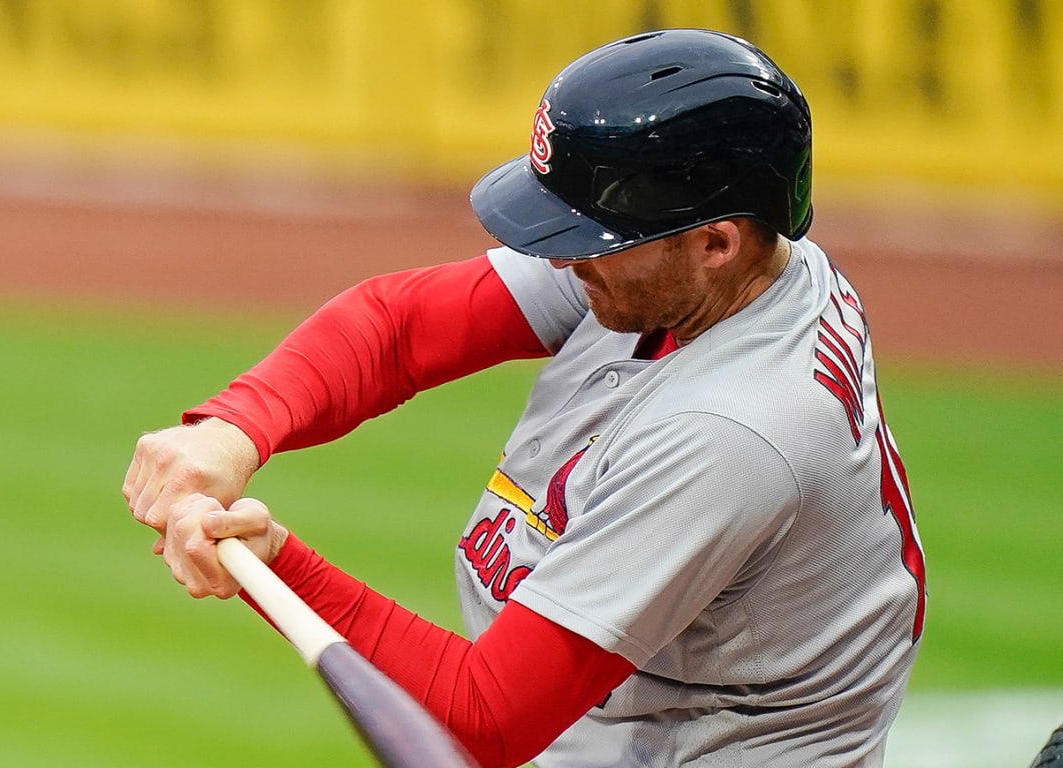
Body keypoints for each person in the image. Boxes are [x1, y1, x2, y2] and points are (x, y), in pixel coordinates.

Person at [122, 28, 925, 768]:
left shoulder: (735, 433)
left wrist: (274, 564)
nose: (566, 260)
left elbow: (485, 717)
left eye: (593, 239)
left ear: (718, 242)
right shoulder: (708, 263)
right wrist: (233, 432)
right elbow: (398, 329)